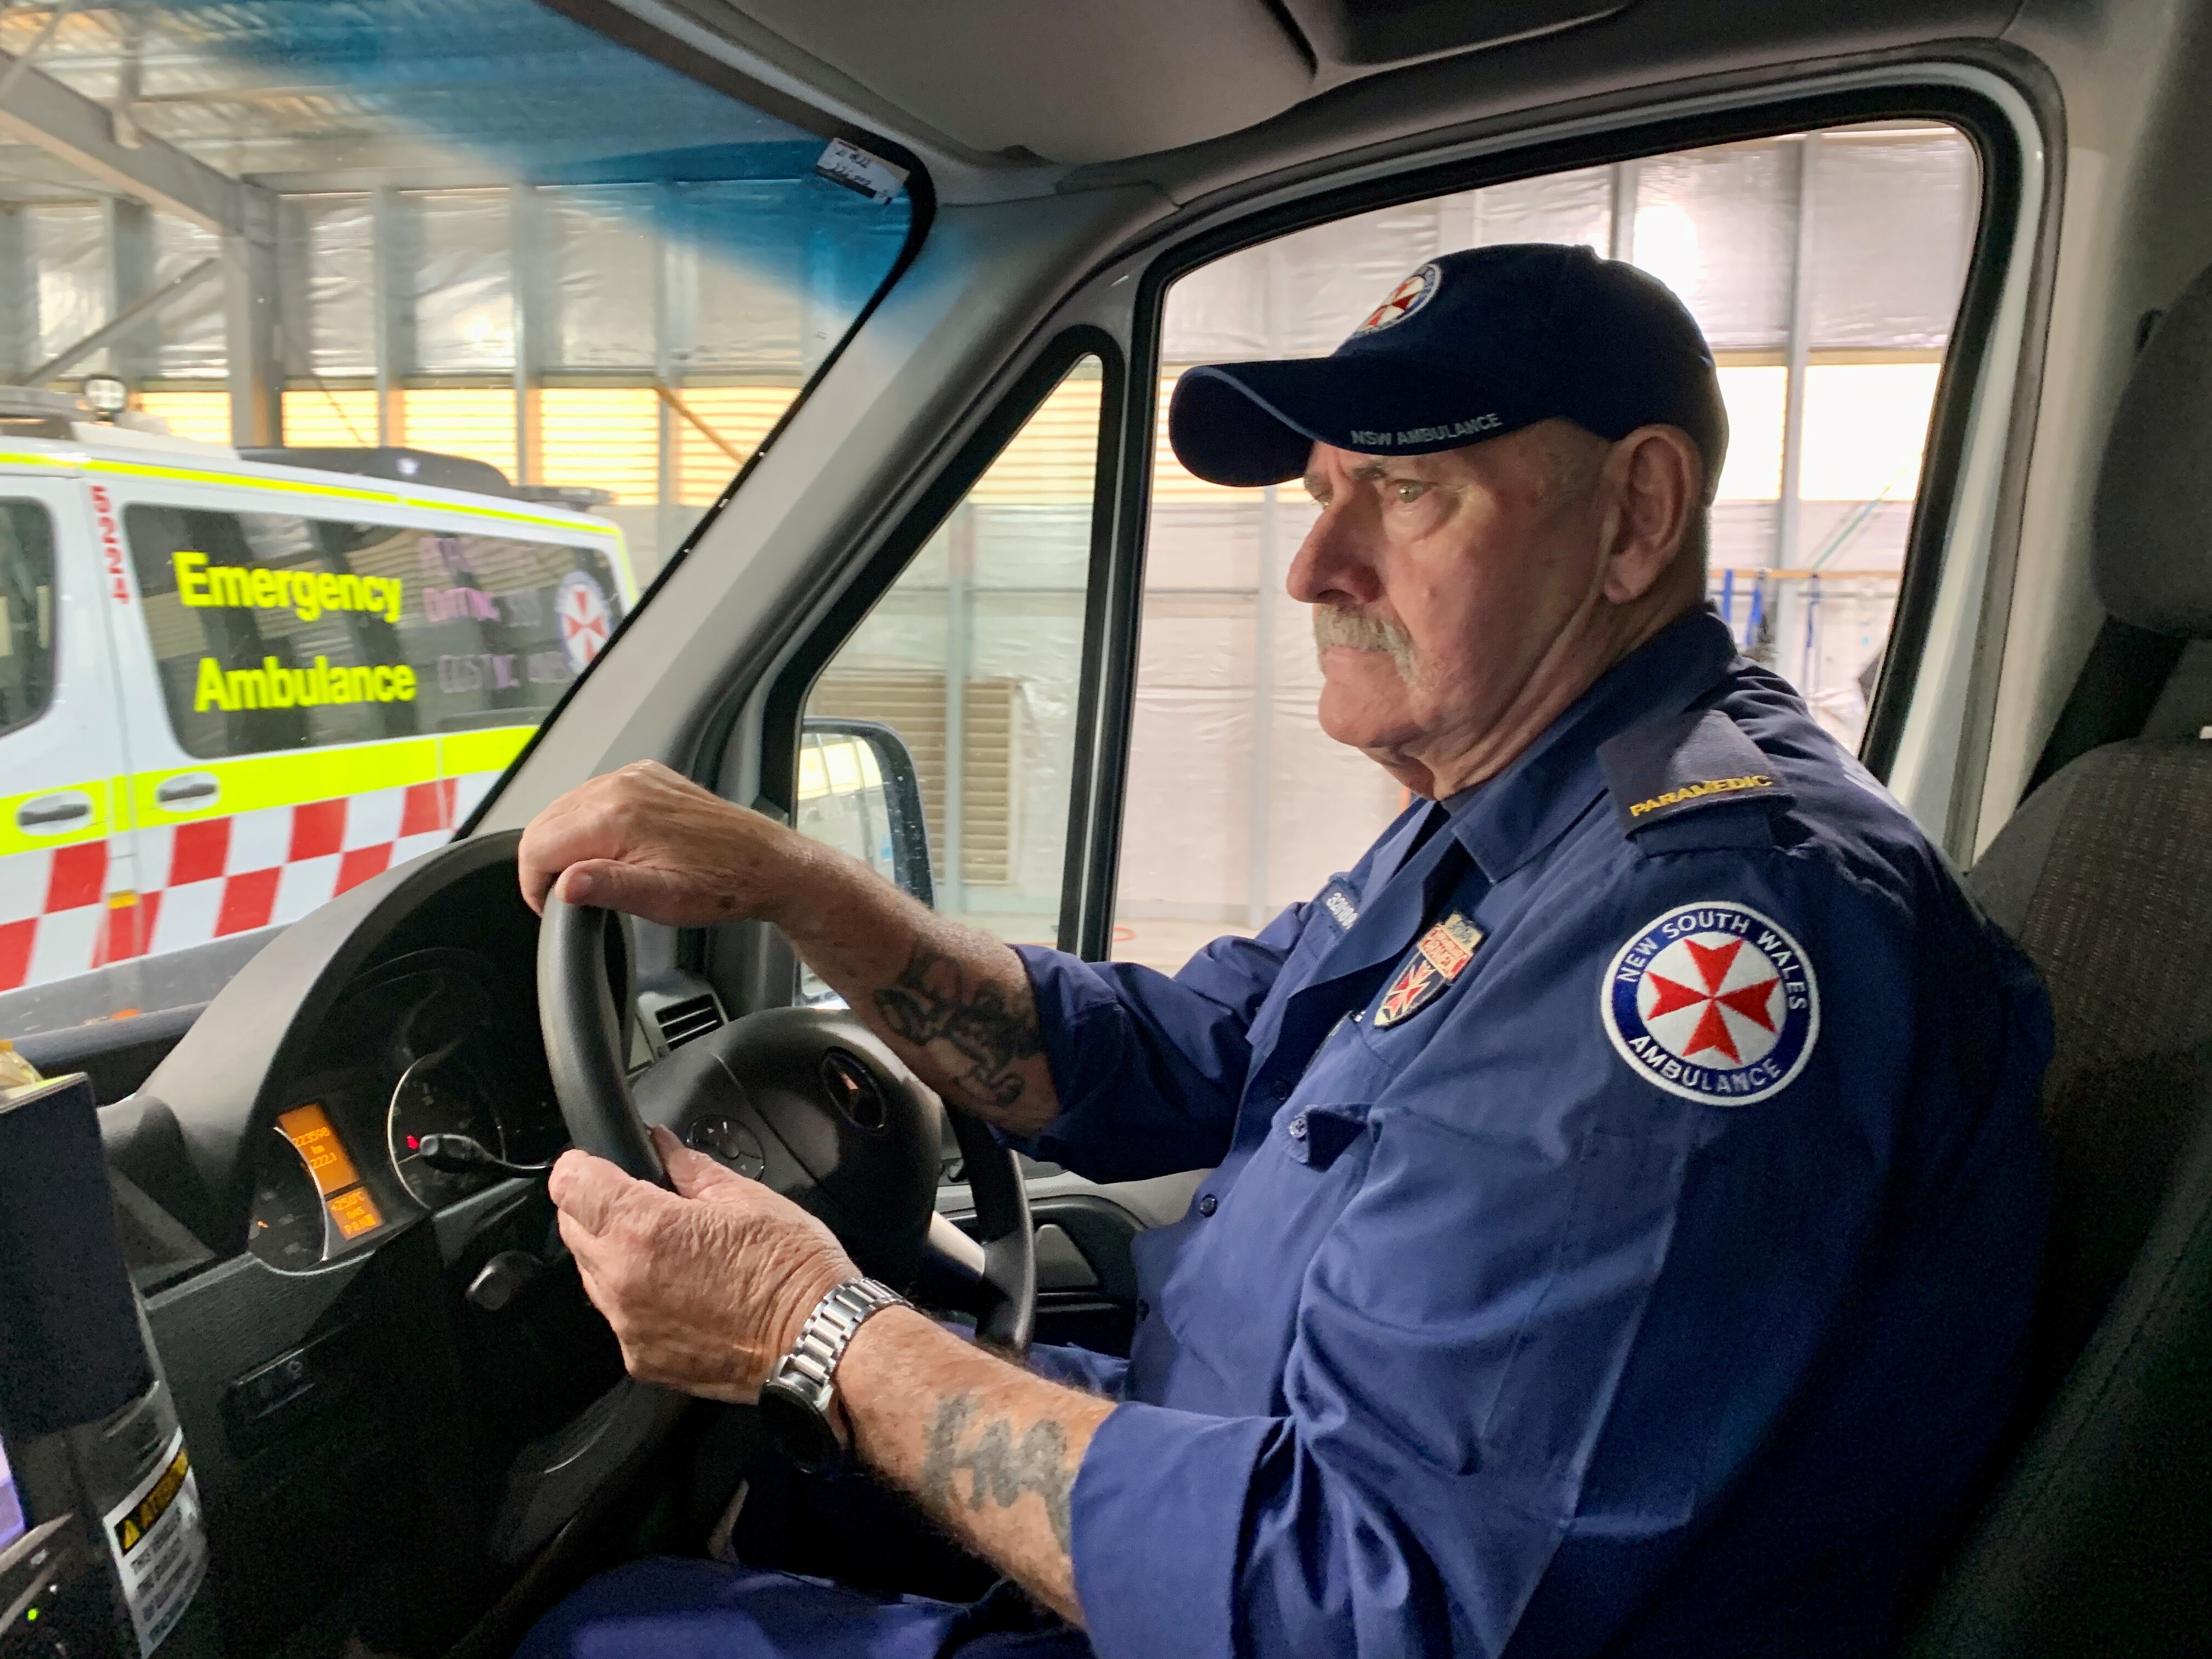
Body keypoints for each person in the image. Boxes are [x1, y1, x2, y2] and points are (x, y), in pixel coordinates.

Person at [514, 244, 2051, 1659]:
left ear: (1637, 516)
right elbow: (1159, 1058)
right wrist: (796, 885)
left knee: (596, 1634)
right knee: (781, 1482)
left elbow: (1368, 1603)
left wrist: (816, 1332)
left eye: (1406, 492)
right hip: (1245, 1472)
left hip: (1313, 1590)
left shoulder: (1698, 936)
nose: (1315, 567)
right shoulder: (1512, 818)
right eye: (1321, 495)